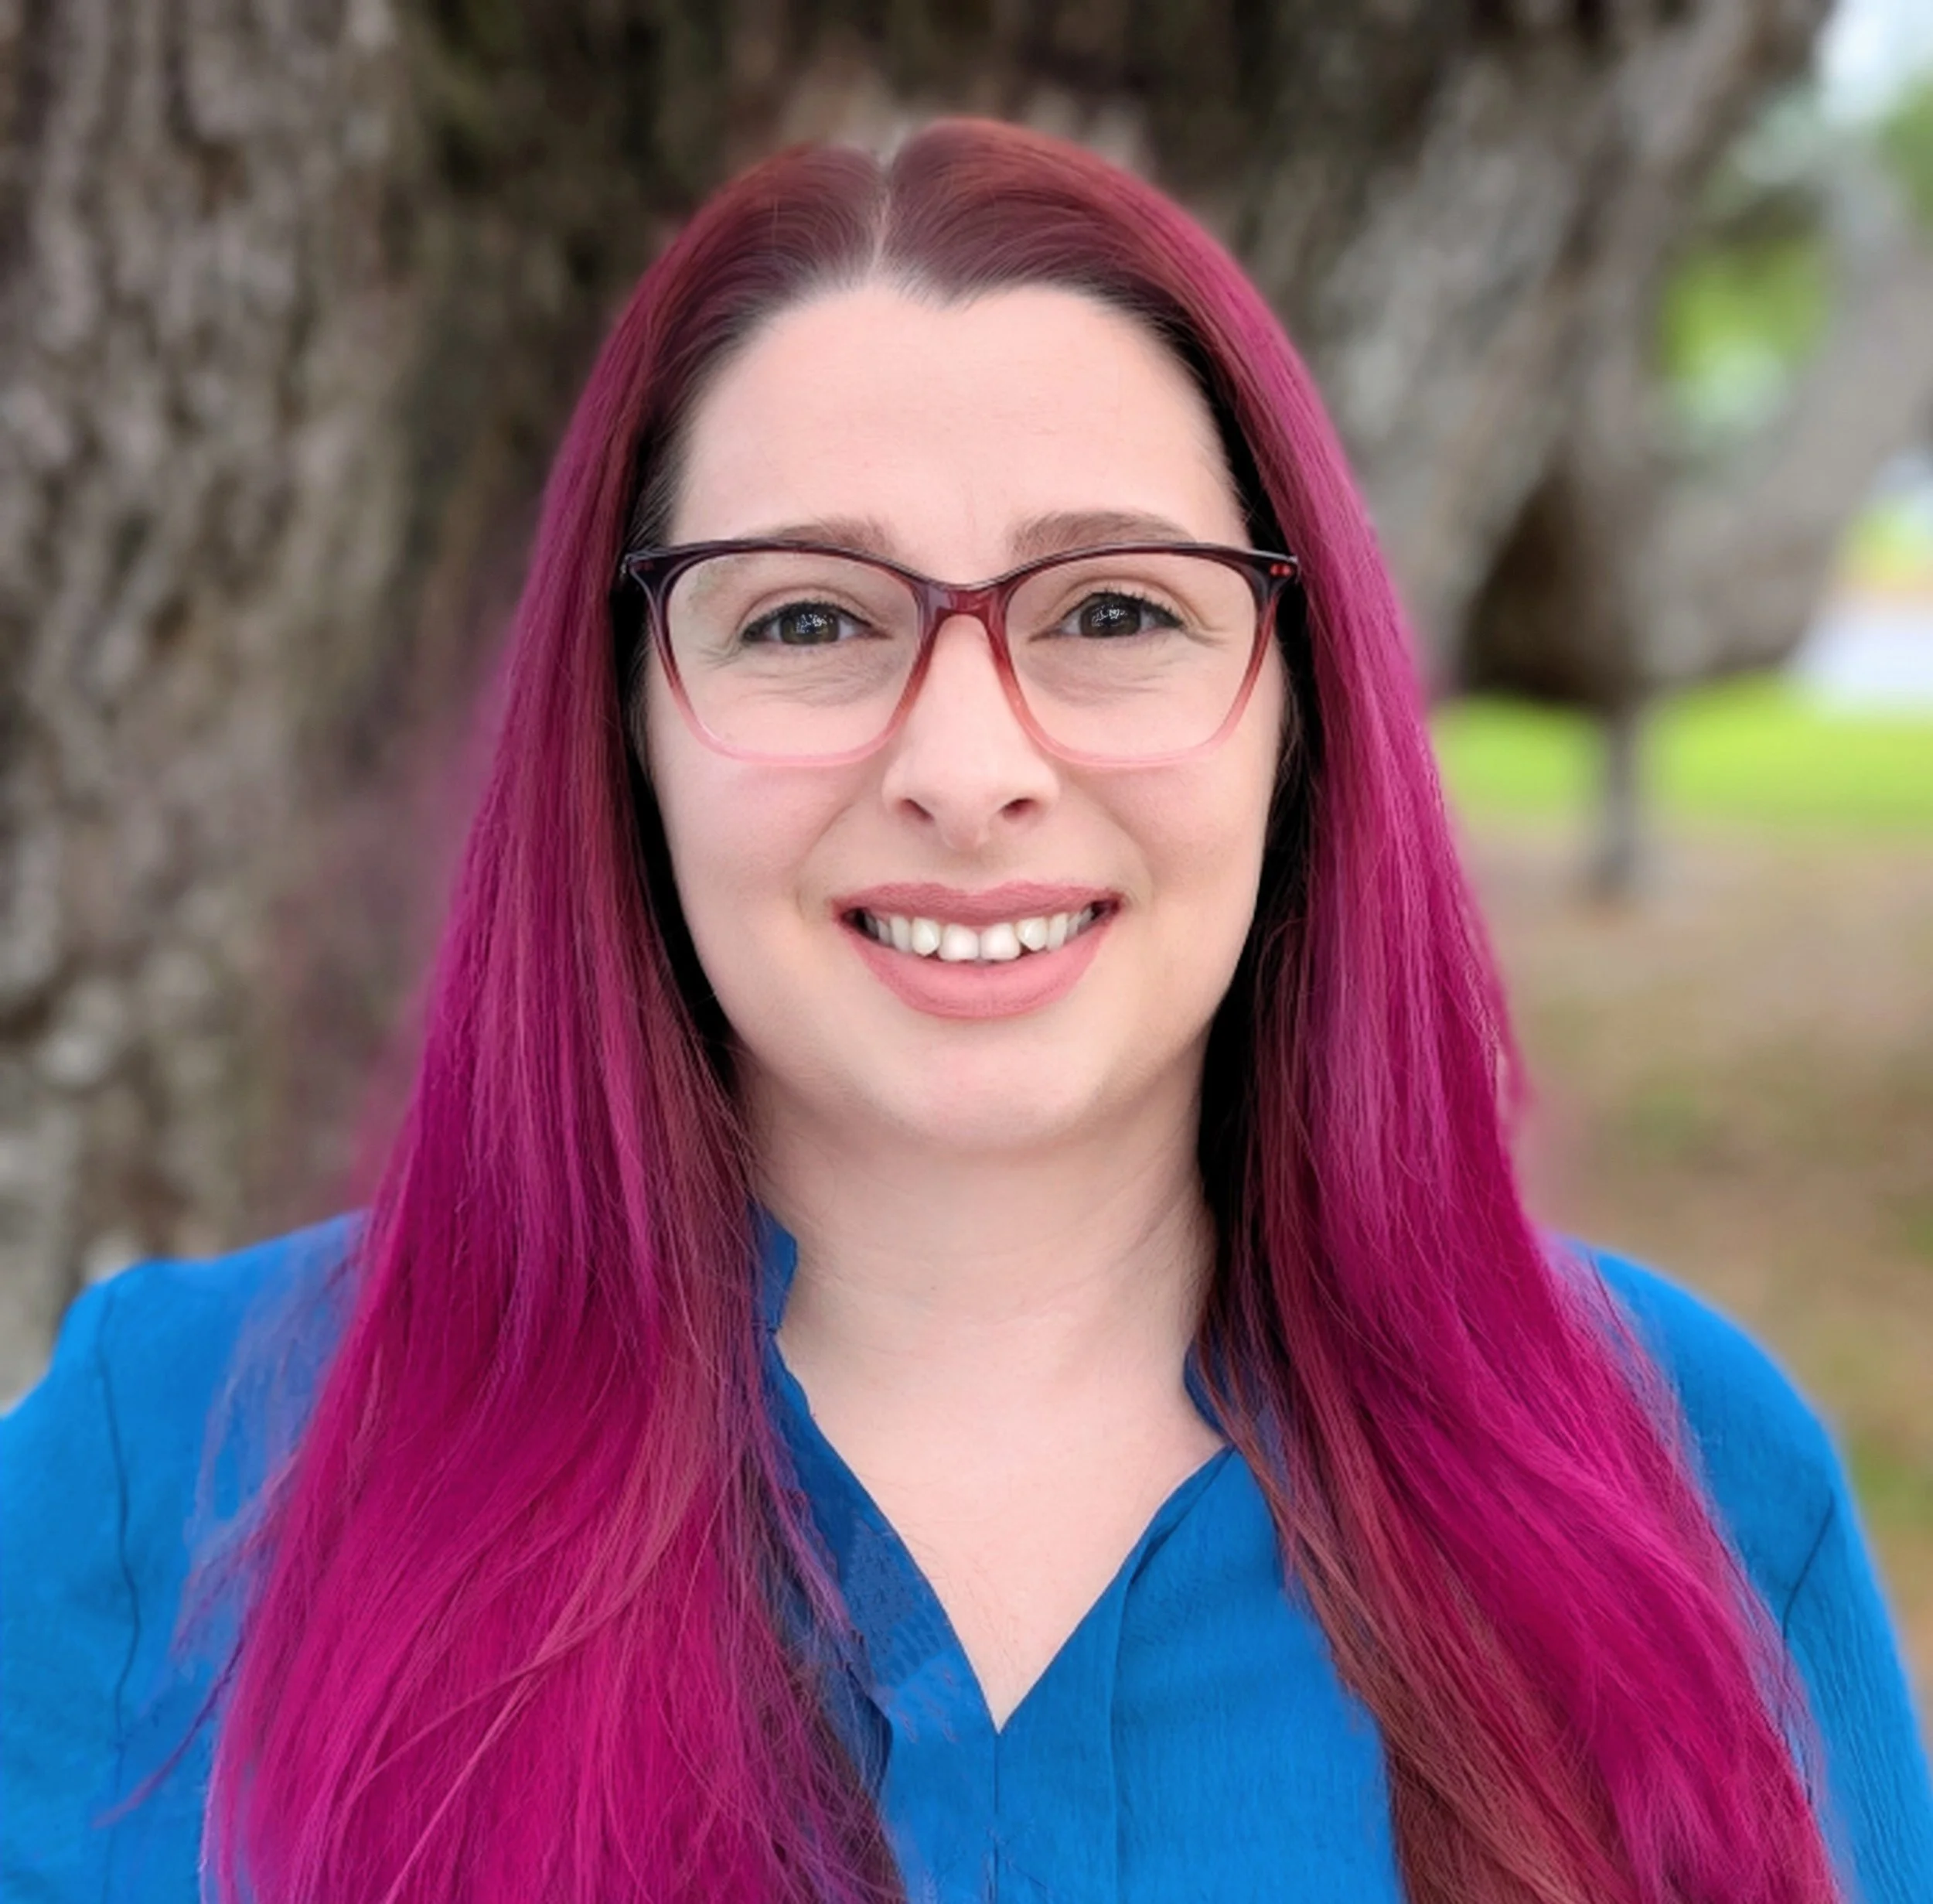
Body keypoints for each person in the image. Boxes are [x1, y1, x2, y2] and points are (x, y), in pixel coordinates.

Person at [3, 118, 1929, 1904]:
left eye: (1112, 611)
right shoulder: (158, 1470)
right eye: (804, 619)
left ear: (1297, 709)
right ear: (625, 728)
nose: (965, 767)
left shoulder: (1680, 1474)